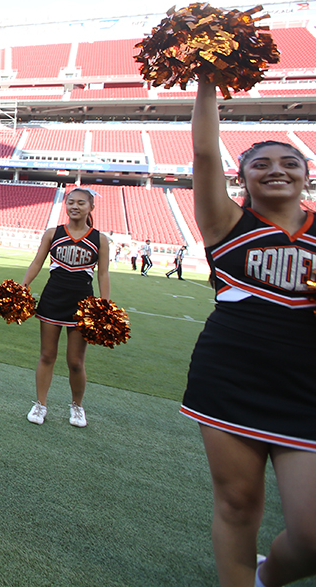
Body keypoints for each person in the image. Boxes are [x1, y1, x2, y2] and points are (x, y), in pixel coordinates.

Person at [181, 76, 316, 587]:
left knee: (312, 536)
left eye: (289, 162)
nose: (276, 169)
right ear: (242, 179)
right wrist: (209, 79)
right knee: (238, 504)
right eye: (261, 163)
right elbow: (203, 151)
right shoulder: (226, 223)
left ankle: (267, 578)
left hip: (307, 388)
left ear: (306, 174)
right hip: (230, 377)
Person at [21, 187, 110, 428]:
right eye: (71, 202)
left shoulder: (99, 239)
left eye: (81, 203)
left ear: (91, 207)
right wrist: (23, 286)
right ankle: (40, 404)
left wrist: (105, 304)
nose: (75, 206)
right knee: (47, 355)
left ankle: (77, 407)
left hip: (83, 304)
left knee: (76, 361)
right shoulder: (53, 233)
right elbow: (38, 261)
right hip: (53, 300)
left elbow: (103, 274)